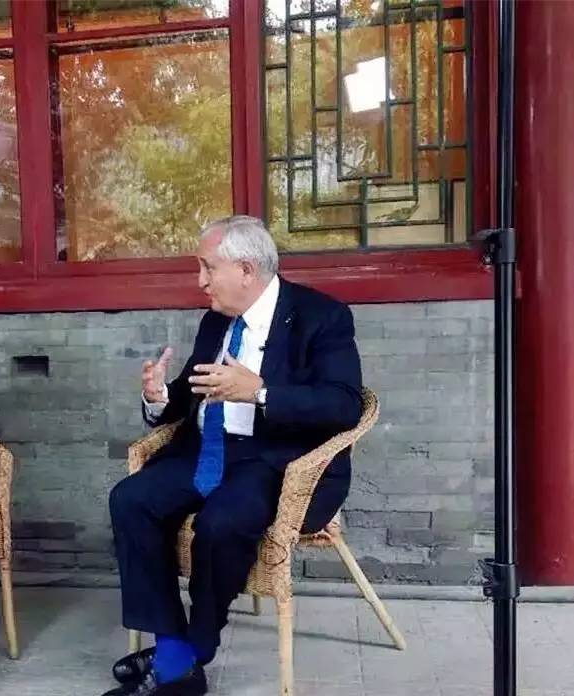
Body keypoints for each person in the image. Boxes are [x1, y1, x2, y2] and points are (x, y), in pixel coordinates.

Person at [105, 215, 363, 696]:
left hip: (274, 460)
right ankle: (172, 650)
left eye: (208, 267)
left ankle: (191, 652)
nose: (200, 281)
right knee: (130, 500)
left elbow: (344, 404)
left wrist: (260, 391)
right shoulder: (215, 321)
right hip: (207, 450)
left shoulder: (322, 316)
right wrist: (159, 397)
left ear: (246, 269)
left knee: (221, 522)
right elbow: (192, 391)